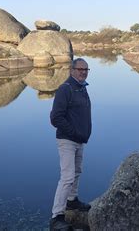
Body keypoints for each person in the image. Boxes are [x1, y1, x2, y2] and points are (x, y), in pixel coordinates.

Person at [49, 58, 92, 230]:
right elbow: (55, 118)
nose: (83, 72)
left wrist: (84, 134)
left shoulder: (81, 88)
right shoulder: (65, 89)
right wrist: (74, 132)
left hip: (79, 140)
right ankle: (56, 216)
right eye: (80, 69)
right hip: (67, 140)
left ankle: (72, 201)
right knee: (67, 177)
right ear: (72, 70)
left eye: (86, 69)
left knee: (77, 172)